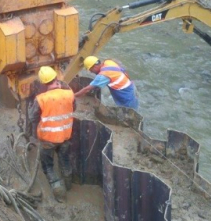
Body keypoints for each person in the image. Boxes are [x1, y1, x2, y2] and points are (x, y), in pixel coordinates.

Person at [29, 66, 76, 202]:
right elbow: (74, 107)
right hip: (65, 136)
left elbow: (33, 118)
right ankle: (68, 185)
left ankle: (59, 193)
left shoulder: (41, 99)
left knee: (48, 166)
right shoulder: (69, 94)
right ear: (56, 78)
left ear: (43, 83)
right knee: (65, 161)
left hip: (48, 140)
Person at [75, 56, 139, 110]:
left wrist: (74, 96)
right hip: (131, 87)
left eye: (91, 70)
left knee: (129, 114)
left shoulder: (103, 76)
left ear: (94, 66)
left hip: (125, 96)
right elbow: (122, 70)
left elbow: (87, 89)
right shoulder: (108, 62)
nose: (91, 72)